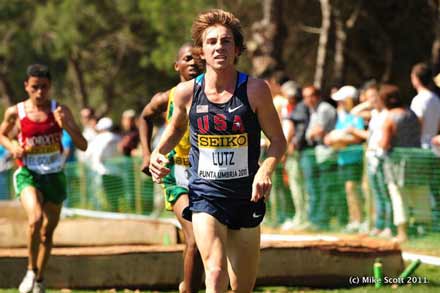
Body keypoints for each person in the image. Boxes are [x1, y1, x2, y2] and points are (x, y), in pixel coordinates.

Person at [149, 9, 286, 293]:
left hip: (245, 194)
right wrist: (157, 154)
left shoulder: (256, 90)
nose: (219, 47)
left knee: (241, 286)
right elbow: (175, 130)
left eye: (225, 41)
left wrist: (265, 170)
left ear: (237, 49)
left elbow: (277, 140)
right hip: (205, 194)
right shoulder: (187, 92)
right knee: (214, 273)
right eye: (211, 42)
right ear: (202, 51)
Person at [0, 64, 87, 293]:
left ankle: (39, 277)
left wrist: (65, 125)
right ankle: (30, 270)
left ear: (50, 87)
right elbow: (2, 134)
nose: (40, 92)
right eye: (35, 87)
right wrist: (13, 147)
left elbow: (83, 145)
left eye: (44, 88)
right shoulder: (15, 112)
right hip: (28, 173)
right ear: (26, 87)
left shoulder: (60, 110)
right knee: (35, 218)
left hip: (54, 176)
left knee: (48, 232)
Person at [139, 43, 204, 293]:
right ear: (177, 65)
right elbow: (144, 117)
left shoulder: (218, 95)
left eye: (199, 58)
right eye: (188, 58)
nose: (194, 63)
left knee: (215, 240)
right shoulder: (166, 98)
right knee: (195, 239)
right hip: (177, 175)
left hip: (210, 176)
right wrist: (147, 154)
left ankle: (190, 284)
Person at [379, 84, 430, 243]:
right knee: (420, 194)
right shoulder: (412, 114)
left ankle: (403, 233)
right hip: (417, 160)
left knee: (399, 196)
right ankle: (424, 231)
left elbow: (384, 143)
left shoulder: (390, 117)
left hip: (397, 163)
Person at [325, 85, 365, 233]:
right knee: (349, 192)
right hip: (343, 159)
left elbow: (357, 138)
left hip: (354, 159)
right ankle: (354, 220)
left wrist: (340, 140)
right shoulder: (344, 117)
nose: (339, 104)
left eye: (342, 100)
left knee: (353, 189)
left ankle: (359, 220)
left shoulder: (356, 117)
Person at [301, 85, 338, 230]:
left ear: (317, 96)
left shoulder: (324, 109)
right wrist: (311, 134)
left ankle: (322, 220)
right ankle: (315, 219)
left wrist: (311, 134)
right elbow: (311, 133)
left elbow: (319, 131)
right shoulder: (313, 110)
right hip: (318, 152)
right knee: (315, 188)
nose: (307, 99)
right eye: (305, 96)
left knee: (324, 187)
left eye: (310, 96)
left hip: (328, 153)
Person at [85, 117, 122, 211]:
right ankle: (114, 210)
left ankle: (104, 211)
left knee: (103, 195)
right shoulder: (118, 137)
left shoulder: (99, 139)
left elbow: (89, 155)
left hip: (102, 171)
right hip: (117, 171)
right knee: (115, 196)